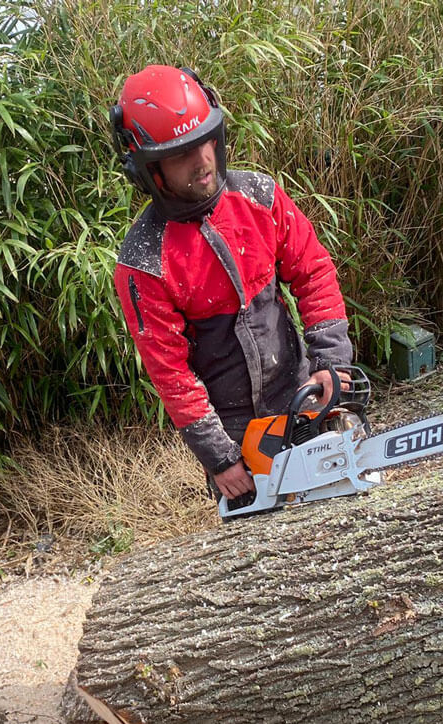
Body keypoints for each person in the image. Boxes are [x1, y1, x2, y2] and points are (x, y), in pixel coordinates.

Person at [109, 64, 354, 510]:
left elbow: (314, 273)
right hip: (234, 429)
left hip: (300, 388)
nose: (202, 158)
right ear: (149, 168)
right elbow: (172, 374)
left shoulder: (259, 197)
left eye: (206, 140)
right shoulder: (144, 261)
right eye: (182, 152)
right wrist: (220, 458)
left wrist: (332, 361)